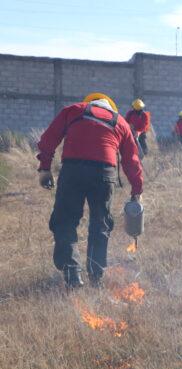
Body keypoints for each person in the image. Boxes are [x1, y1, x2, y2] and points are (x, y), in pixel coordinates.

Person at [36, 92, 143, 288]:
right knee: (100, 224)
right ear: (110, 107)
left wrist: (44, 168)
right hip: (104, 174)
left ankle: (72, 273)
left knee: (65, 220)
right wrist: (137, 190)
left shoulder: (73, 110)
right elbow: (132, 160)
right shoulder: (121, 122)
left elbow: (49, 139)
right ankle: (96, 275)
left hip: (73, 170)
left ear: (89, 103)